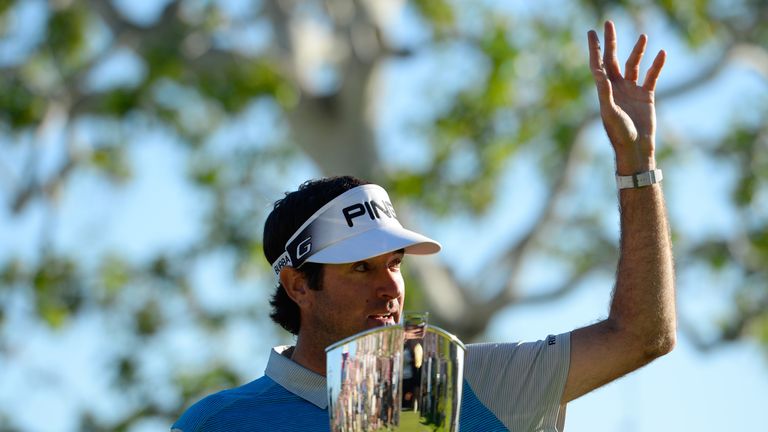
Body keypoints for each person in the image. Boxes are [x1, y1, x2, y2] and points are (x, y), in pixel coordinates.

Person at [171, 20, 676, 432]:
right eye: (362, 267)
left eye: (394, 263)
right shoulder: (218, 424)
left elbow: (641, 335)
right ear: (299, 284)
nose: (390, 286)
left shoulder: (471, 382)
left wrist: (638, 166)